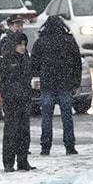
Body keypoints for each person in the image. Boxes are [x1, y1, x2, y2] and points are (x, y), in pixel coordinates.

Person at [31, 15, 82, 156]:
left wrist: (38, 77)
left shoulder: (41, 42)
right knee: (67, 117)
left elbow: (34, 64)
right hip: (65, 84)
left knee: (46, 117)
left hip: (47, 85)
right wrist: (75, 82)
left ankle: (45, 147)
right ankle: (70, 146)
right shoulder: (69, 41)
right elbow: (77, 63)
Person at [0, 32, 35, 172]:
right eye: (20, 44)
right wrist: (7, 92)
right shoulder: (5, 59)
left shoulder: (25, 58)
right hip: (12, 101)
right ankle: (8, 162)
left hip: (24, 99)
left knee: (24, 132)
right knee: (11, 132)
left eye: (24, 44)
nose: (22, 47)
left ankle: (23, 161)